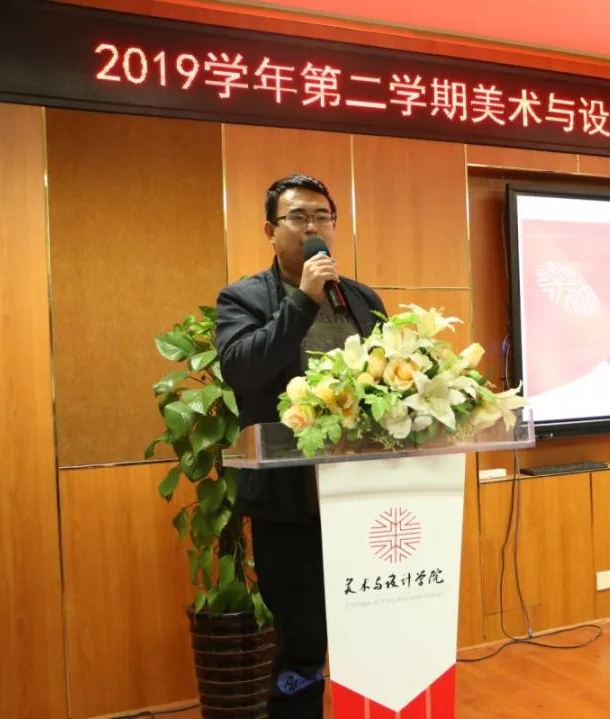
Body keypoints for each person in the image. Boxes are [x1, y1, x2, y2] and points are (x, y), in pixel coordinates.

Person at [216, 173, 385, 718]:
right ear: (271, 230)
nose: (312, 227)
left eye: (321, 216)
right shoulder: (243, 298)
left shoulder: (361, 299)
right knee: (303, 640)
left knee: (372, 628)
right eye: (298, 217)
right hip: (290, 502)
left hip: (364, 495)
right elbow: (243, 369)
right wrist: (303, 301)